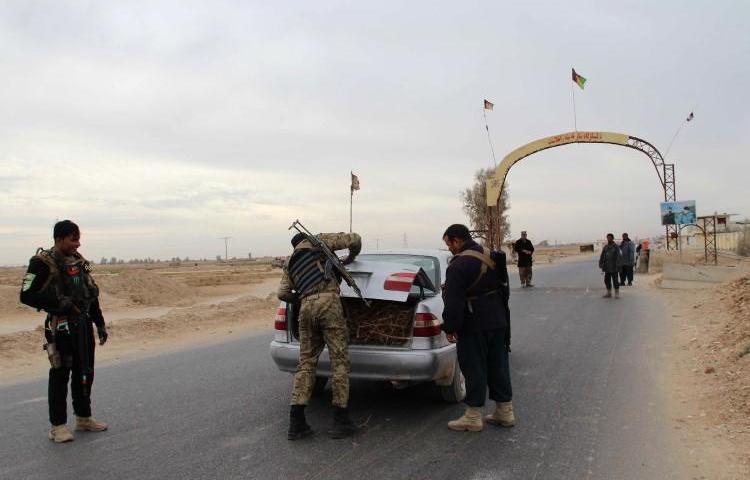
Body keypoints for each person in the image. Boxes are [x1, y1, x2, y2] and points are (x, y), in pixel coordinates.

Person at [19, 220, 109, 443]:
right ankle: (57, 426)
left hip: (83, 325)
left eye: (78, 239)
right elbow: (26, 295)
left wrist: (99, 323)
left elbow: (92, 291)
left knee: (85, 372)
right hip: (60, 327)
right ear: (58, 239)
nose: (78, 244)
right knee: (60, 376)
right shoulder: (41, 263)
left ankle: (84, 417)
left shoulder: (83, 262)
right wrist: (59, 302)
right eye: (73, 239)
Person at [277, 230, 361, 440]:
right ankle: (341, 421)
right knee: (339, 361)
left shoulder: (290, 262)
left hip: (305, 308)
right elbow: (355, 239)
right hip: (329, 304)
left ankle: (296, 424)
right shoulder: (319, 241)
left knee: (305, 364)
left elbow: (282, 293)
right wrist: (351, 257)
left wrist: (304, 299)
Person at [441, 224, 513, 432]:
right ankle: (505, 411)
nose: (449, 248)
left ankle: (473, 417)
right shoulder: (493, 256)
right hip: (498, 320)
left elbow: (453, 302)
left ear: (457, 241)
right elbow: (503, 289)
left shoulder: (457, 266)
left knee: (474, 368)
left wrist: (450, 327)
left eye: (449, 244)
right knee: (499, 365)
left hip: (474, 324)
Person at [599, 233, 622, 298]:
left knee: (615, 281)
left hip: (614, 267)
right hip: (607, 268)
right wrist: (601, 263)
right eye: (607, 237)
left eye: (610, 237)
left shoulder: (616, 247)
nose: (608, 239)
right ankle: (609, 293)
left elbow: (619, 257)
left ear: (612, 238)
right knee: (606, 280)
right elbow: (602, 256)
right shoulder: (605, 247)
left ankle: (617, 293)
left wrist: (618, 265)